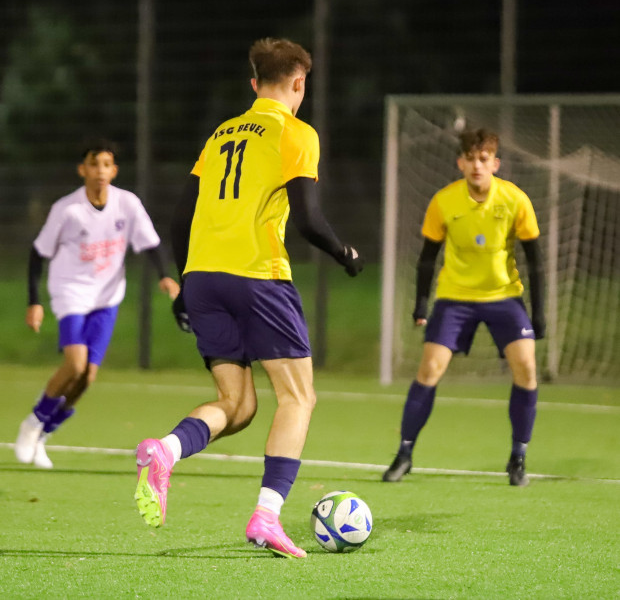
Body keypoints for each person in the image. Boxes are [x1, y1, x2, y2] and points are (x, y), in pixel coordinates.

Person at [133, 38, 364, 559]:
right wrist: (345, 252)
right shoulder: (297, 133)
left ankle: (164, 450)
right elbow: (307, 220)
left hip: (203, 278)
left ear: (254, 83)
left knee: (238, 406)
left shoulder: (220, 134)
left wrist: (185, 283)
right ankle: (266, 517)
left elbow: (179, 216)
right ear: (299, 82)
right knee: (298, 397)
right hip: (257, 275)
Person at [382, 128, 545, 487]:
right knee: (429, 370)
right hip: (454, 298)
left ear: (495, 163)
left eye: (484, 159)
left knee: (527, 368)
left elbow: (535, 261)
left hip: (504, 297)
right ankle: (404, 453)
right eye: (470, 158)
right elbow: (427, 259)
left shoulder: (515, 200)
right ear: (460, 162)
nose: (477, 165)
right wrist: (421, 304)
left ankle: (518, 457)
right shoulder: (444, 201)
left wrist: (540, 313)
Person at [15, 139, 180, 469]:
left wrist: (165, 275)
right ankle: (32, 423)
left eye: (106, 165)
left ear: (114, 170)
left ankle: (45, 432)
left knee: (87, 378)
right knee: (74, 365)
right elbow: (38, 253)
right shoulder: (68, 209)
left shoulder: (127, 204)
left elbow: (151, 243)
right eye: (94, 164)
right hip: (70, 292)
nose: (100, 171)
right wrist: (34, 302)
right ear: (83, 169)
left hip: (107, 297)